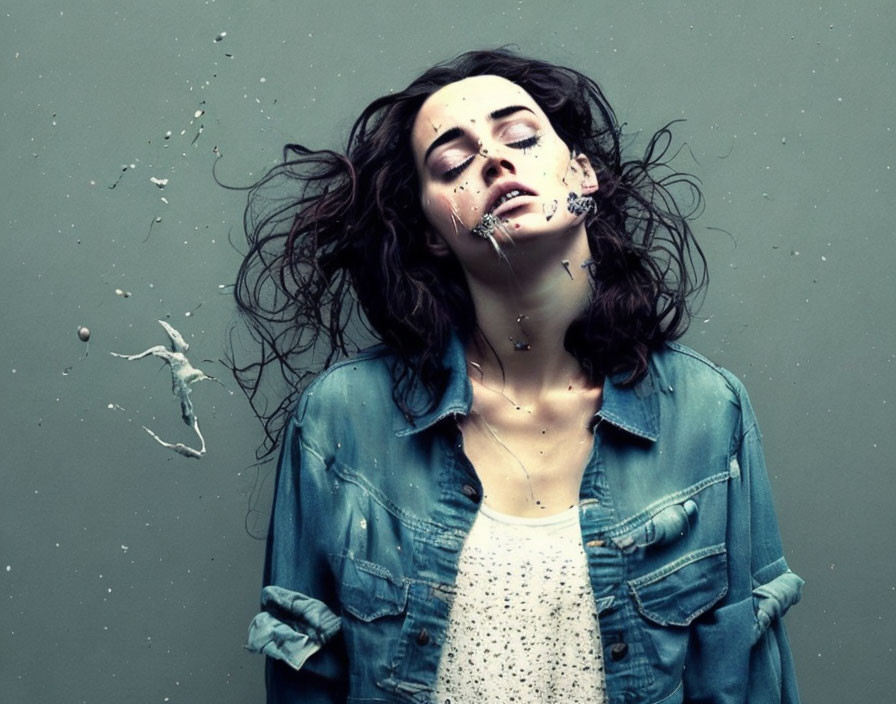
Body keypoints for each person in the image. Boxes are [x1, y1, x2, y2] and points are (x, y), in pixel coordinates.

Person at [236, 48, 804, 704]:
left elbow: (751, 684)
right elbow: (305, 686)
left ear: (584, 173)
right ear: (432, 233)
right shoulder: (341, 419)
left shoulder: (708, 411)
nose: (493, 161)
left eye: (523, 137)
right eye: (452, 163)